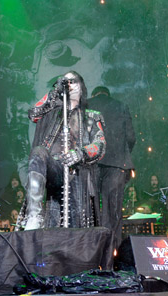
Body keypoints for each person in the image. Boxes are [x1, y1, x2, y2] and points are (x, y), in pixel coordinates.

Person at [20, 71, 106, 230]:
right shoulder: (53, 113)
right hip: (53, 167)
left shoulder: (91, 116)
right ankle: (34, 216)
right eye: (65, 82)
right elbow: (33, 114)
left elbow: (100, 145)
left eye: (72, 81)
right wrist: (54, 92)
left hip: (76, 171)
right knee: (38, 151)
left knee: (73, 226)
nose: (69, 85)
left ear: (81, 87)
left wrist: (80, 153)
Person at [86, 85, 135, 245]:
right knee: (113, 210)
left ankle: (91, 248)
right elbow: (131, 137)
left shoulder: (86, 104)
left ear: (94, 94)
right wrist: (120, 154)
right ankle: (112, 250)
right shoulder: (121, 106)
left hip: (91, 162)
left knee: (90, 207)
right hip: (116, 164)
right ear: (108, 94)